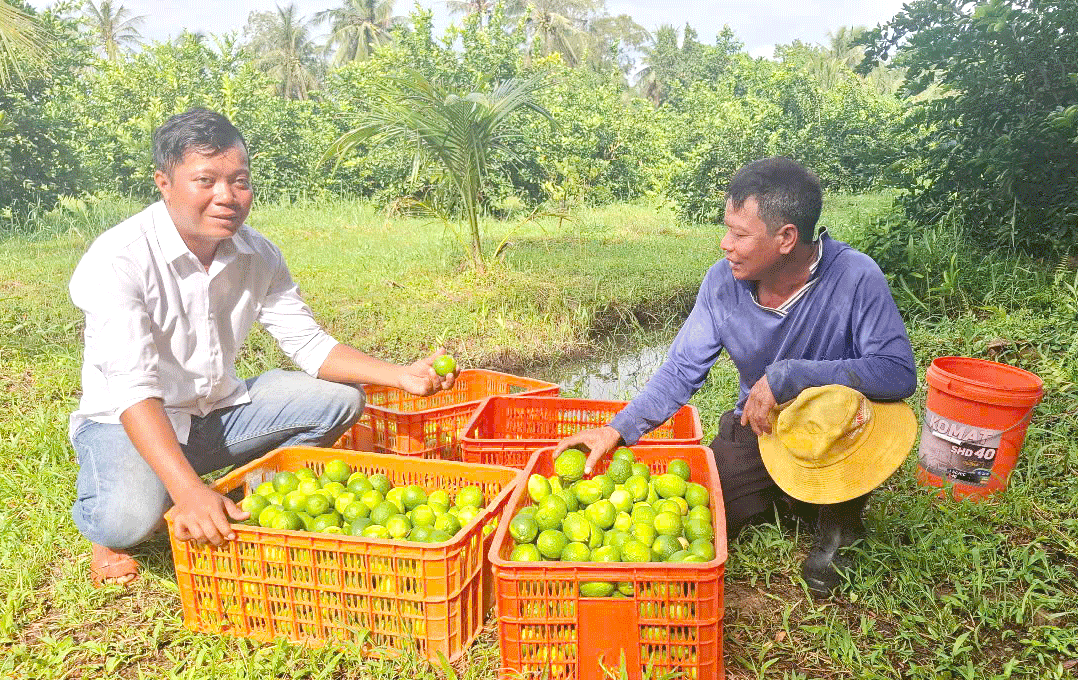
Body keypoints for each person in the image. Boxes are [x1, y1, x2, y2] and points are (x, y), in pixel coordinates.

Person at [68, 108, 457, 586]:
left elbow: (310, 344)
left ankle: (251, 499)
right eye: (205, 180)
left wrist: (401, 375)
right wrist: (187, 491)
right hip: (126, 422)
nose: (226, 197)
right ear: (163, 183)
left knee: (342, 400)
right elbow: (132, 389)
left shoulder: (259, 253)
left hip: (213, 411)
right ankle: (119, 518)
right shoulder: (118, 259)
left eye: (240, 181)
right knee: (126, 521)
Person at [553, 156, 917, 593]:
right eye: (727, 229)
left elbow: (896, 372)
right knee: (704, 506)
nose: (725, 244)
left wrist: (790, 376)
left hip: (835, 434)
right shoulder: (722, 283)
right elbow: (682, 369)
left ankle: (841, 524)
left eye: (740, 234)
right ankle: (785, 495)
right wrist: (617, 430)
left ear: (786, 238)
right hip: (760, 427)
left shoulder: (856, 276)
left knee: (838, 456)